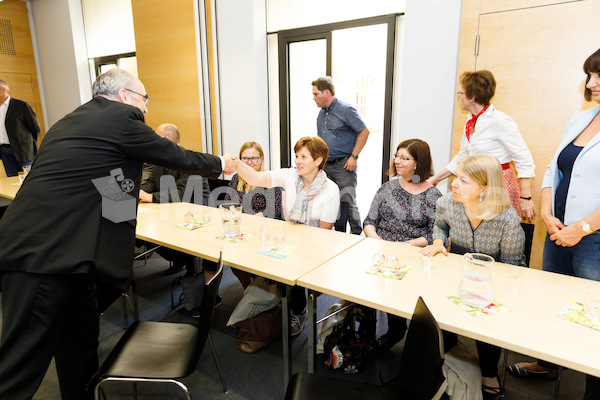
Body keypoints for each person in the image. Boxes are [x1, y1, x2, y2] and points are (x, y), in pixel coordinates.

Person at [0, 68, 235, 400]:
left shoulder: (71, 122)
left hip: (73, 259)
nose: (147, 109)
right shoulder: (121, 117)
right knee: (19, 365)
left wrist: (132, 220)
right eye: (144, 99)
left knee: (79, 345)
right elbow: (172, 153)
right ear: (124, 95)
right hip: (43, 256)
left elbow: (106, 185)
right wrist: (220, 164)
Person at [508, 48, 600, 400]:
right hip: (558, 230)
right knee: (552, 301)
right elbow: (553, 169)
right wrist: (546, 211)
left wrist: (582, 229)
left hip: (592, 238)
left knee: (593, 316)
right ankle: (547, 364)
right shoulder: (581, 119)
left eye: (598, 75)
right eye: (588, 75)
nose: (591, 83)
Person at [422, 154, 525, 400]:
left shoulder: (507, 219)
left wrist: (483, 285)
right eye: (456, 176)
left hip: (494, 282)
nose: (454, 183)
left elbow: (512, 265)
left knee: (487, 324)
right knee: (441, 312)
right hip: (456, 273)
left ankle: (489, 371)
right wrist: (438, 241)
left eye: (463, 180)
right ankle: (450, 360)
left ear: (485, 189)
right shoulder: (447, 203)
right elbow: (440, 225)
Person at [233, 136, 339, 336]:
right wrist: (236, 164)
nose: (298, 161)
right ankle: (270, 303)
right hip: (291, 237)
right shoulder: (290, 176)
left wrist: (296, 245)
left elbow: (324, 232)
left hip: (318, 245)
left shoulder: (330, 190)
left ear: (318, 160)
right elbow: (255, 178)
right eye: (297, 156)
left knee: (292, 264)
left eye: (304, 157)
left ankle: (299, 310)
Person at [363, 139, 441, 351]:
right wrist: (376, 240)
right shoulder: (387, 188)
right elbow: (369, 221)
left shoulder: (432, 195)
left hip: (413, 253)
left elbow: (434, 234)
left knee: (397, 288)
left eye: (405, 158)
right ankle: (363, 334)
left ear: (418, 163)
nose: (397, 161)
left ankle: (396, 331)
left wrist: (404, 246)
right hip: (380, 249)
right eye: (397, 156)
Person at [429, 70, 536, 222]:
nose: (458, 96)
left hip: (497, 184)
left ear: (472, 97)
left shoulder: (500, 120)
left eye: (461, 92)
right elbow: (463, 155)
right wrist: (436, 179)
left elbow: (523, 158)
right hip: (474, 183)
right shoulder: (470, 122)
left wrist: (525, 197)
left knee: (496, 233)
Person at [138, 122, 211, 276]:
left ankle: (192, 267)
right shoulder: (161, 159)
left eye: (157, 138)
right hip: (170, 214)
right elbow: (151, 182)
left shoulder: (190, 161)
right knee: (144, 234)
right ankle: (183, 261)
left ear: (168, 138)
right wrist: (139, 192)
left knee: (156, 235)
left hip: (196, 219)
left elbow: (181, 193)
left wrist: (150, 197)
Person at [312, 76, 369, 234]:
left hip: (343, 165)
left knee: (347, 201)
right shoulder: (321, 114)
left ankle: (357, 234)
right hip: (326, 166)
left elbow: (364, 131)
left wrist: (354, 157)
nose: (314, 98)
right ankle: (339, 234)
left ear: (327, 93)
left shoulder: (346, 110)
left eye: (316, 94)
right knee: (331, 201)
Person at [226, 141, 283, 288]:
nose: (250, 162)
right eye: (245, 158)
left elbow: (272, 212)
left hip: (264, 233)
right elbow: (228, 205)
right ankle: (248, 288)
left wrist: (244, 217)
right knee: (232, 259)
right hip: (241, 231)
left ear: (262, 159)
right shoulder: (235, 179)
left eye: (254, 158)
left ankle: (263, 291)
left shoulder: (269, 179)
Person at [0, 79, 41, 177]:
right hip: (4, 152)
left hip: (23, 151)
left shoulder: (21, 106)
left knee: (30, 180)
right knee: (12, 181)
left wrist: (28, 144)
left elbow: (35, 128)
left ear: (3, 90)